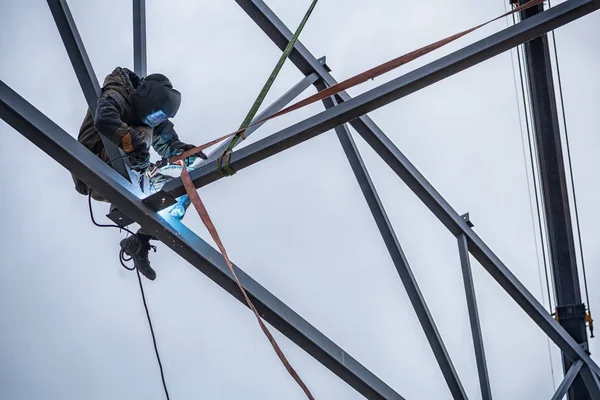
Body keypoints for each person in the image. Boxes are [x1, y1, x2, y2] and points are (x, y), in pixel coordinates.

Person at [72, 67, 205, 281]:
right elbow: (104, 118)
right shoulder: (119, 89)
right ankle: (123, 190)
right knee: (142, 133)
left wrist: (182, 152)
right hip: (95, 163)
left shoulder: (152, 117)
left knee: (181, 190)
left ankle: (140, 241)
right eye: (155, 116)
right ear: (146, 97)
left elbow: (168, 142)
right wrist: (135, 147)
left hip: (132, 170)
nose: (155, 121)